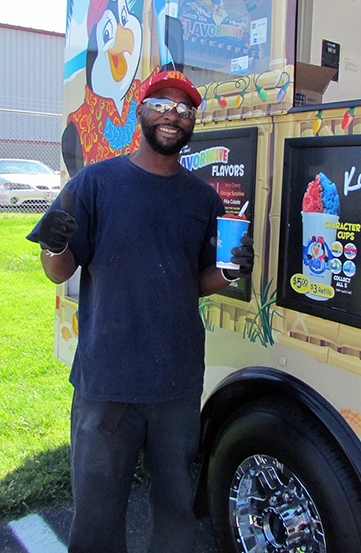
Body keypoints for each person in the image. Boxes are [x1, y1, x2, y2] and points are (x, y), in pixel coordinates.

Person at [27, 70, 254, 553]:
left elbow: (192, 281)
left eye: (185, 109)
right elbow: (58, 269)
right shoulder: (95, 184)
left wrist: (230, 272)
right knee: (97, 515)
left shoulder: (203, 200)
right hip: (107, 383)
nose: (173, 116)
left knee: (175, 509)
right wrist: (53, 244)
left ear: (193, 122)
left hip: (175, 381)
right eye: (162, 104)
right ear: (140, 111)